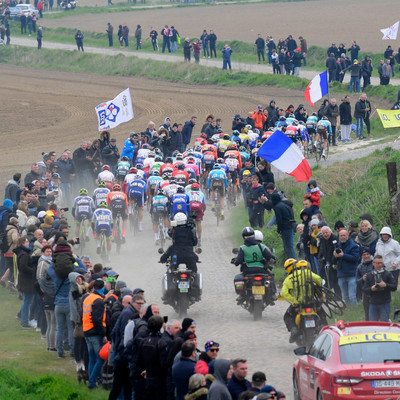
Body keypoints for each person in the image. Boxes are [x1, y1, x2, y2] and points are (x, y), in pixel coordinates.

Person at [281, 259, 324, 342]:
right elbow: (318, 279)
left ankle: (294, 330)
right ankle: (323, 326)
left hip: (299, 305)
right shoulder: (308, 274)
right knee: (322, 312)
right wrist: (320, 294)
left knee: (287, 316)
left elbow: (284, 293)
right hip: (312, 302)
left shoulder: (288, 279)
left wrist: (294, 301)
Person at [83, 279, 107, 389]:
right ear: (102, 288)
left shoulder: (88, 298)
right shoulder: (99, 301)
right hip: (95, 333)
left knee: (92, 358)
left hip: (87, 331)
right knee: (100, 358)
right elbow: (97, 319)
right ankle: (92, 383)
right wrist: (103, 332)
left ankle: (91, 381)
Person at [363, 255, 397, 322]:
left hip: (385, 303)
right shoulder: (369, 275)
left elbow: (394, 287)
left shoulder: (387, 274)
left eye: (381, 263)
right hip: (373, 303)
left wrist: (385, 285)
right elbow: (364, 289)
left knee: (384, 324)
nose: (379, 265)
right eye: (378, 263)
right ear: (373, 263)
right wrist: (371, 289)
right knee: (373, 325)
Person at [334, 229, 359, 305]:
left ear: (348, 236)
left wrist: (343, 255)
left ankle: (355, 312)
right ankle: (349, 313)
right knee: (345, 297)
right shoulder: (337, 246)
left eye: (344, 235)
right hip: (341, 274)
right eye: (341, 235)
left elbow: (355, 258)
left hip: (351, 274)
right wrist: (334, 256)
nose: (342, 237)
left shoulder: (353, 246)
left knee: (352, 297)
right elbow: (334, 261)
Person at [356, 248, 373, 320]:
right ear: (362, 256)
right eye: (364, 255)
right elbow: (357, 281)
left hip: (376, 292)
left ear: (370, 255)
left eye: (367, 254)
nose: (366, 256)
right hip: (365, 292)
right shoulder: (359, 267)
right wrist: (362, 279)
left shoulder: (375, 264)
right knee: (367, 312)